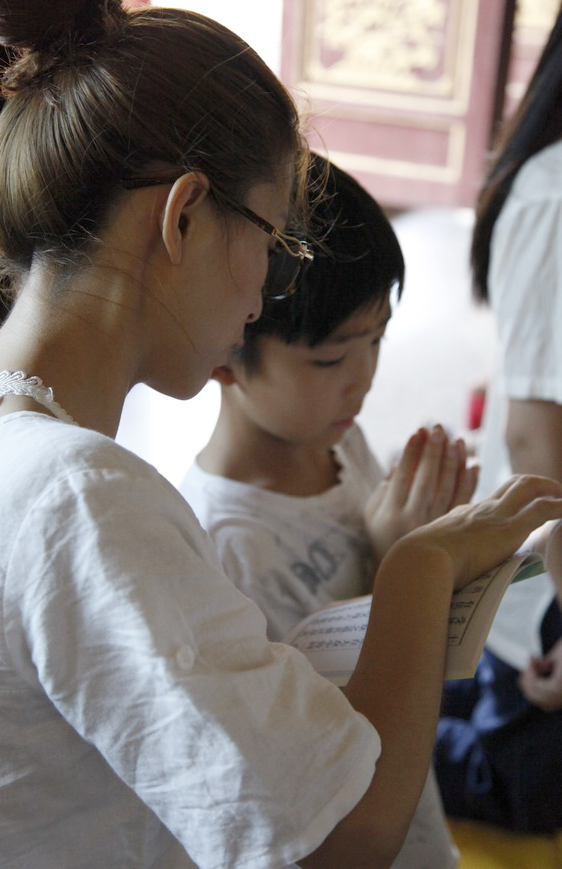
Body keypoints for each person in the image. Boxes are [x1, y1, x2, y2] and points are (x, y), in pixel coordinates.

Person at [0, 0, 561, 868]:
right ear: (186, 217)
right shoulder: (80, 497)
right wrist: (420, 563)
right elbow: (340, 839)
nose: (260, 301)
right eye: (274, 247)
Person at [179, 155, 482, 867]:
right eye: (330, 360)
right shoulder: (225, 547)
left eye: (376, 340)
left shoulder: (341, 447)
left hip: (415, 819)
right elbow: (318, 746)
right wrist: (402, 564)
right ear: (227, 348)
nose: (364, 382)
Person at [434, 2, 562, 834]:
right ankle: (375, 717)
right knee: (526, 792)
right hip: (545, 581)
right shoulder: (554, 193)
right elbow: (533, 434)